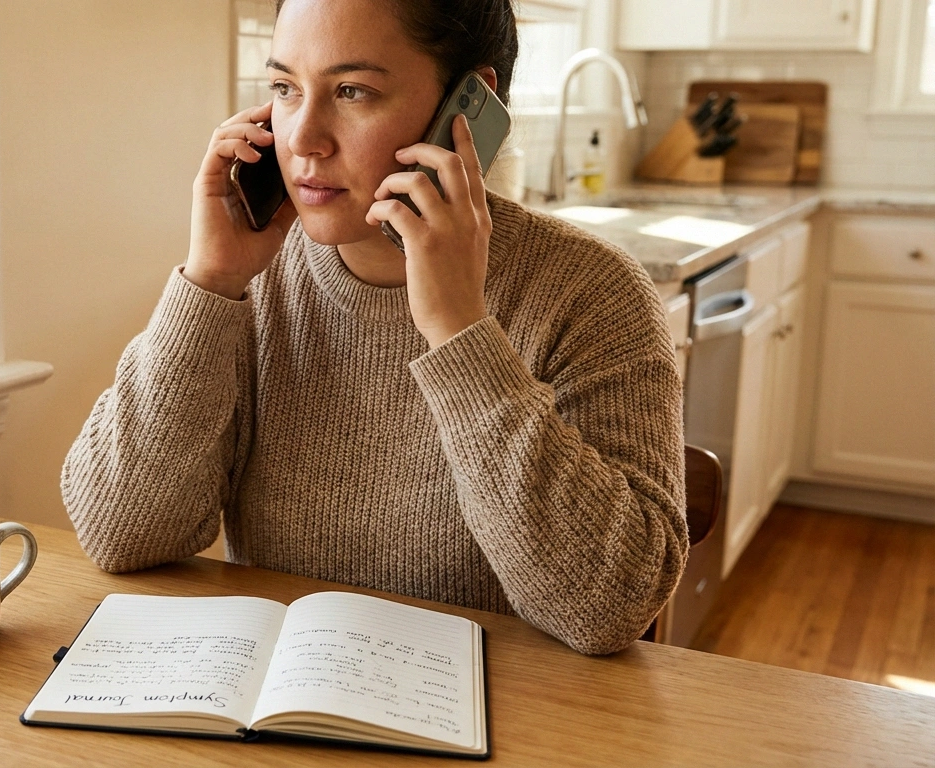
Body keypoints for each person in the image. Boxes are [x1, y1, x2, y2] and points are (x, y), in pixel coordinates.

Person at [61, 0, 687, 655]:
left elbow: (610, 608)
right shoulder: (252, 277)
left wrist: (458, 330)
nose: (302, 139)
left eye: (352, 91)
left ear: (468, 105)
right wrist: (210, 283)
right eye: (284, 89)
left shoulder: (592, 292)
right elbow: (119, 534)